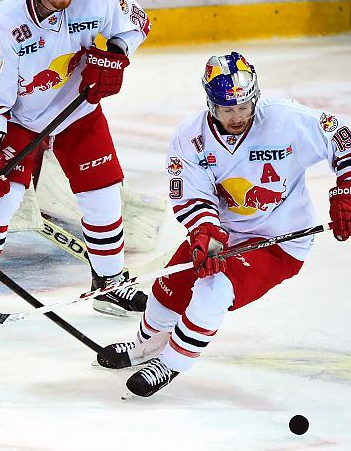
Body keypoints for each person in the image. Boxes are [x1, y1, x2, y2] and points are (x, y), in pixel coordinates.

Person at [95, 51, 351, 397]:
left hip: (279, 241)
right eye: (228, 109)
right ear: (211, 103)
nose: (237, 117)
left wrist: (346, 189)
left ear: (255, 97)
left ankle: (169, 363)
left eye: (244, 107)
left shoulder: (286, 120)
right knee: (167, 288)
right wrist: (206, 235)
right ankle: (145, 346)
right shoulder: (190, 137)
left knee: (215, 288)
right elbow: (192, 196)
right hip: (220, 232)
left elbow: (342, 137)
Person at [0, 0, 153, 328]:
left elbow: (135, 20)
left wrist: (116, 54)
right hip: (18, 116)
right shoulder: (5, 22)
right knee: (1, 197)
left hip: (78, 110)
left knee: (102, 196)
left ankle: (108, 282)